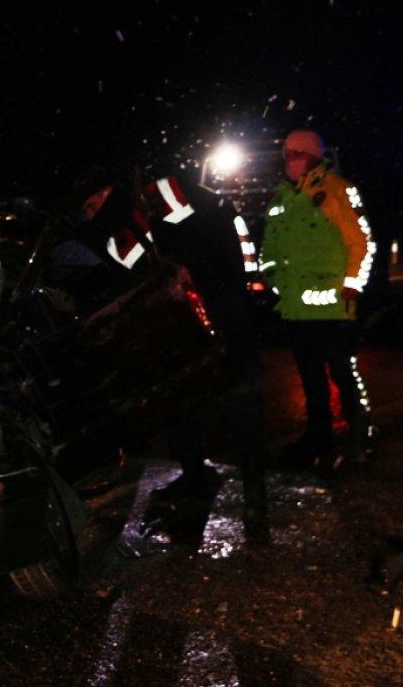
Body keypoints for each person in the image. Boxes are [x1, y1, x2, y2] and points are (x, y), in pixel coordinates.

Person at [46, 166, 270, 540]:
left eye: (89, 203)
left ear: (104, 189)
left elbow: (202, 237)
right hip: (181, 315)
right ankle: (198, 476)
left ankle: (253, 491)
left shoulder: (160, 193)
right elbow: (133, 271)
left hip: (215, 307)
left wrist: (188, 273)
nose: (89, 212)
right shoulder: (111, 228)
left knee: (238, 394)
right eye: (83, 209)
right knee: (183, 397)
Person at [260, 129, 376, 468]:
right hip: (296, 311)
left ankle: (360, 438)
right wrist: (274, 284)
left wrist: (353, 284)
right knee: (311, 381)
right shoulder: (280, 200)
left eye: (298, 153)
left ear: (314, 156)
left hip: (334, 307)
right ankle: (319, 439)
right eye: (287, 154)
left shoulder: (339, 191)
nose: (291, 159)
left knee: (343, 374)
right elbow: (270, 251)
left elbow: (362, 242)